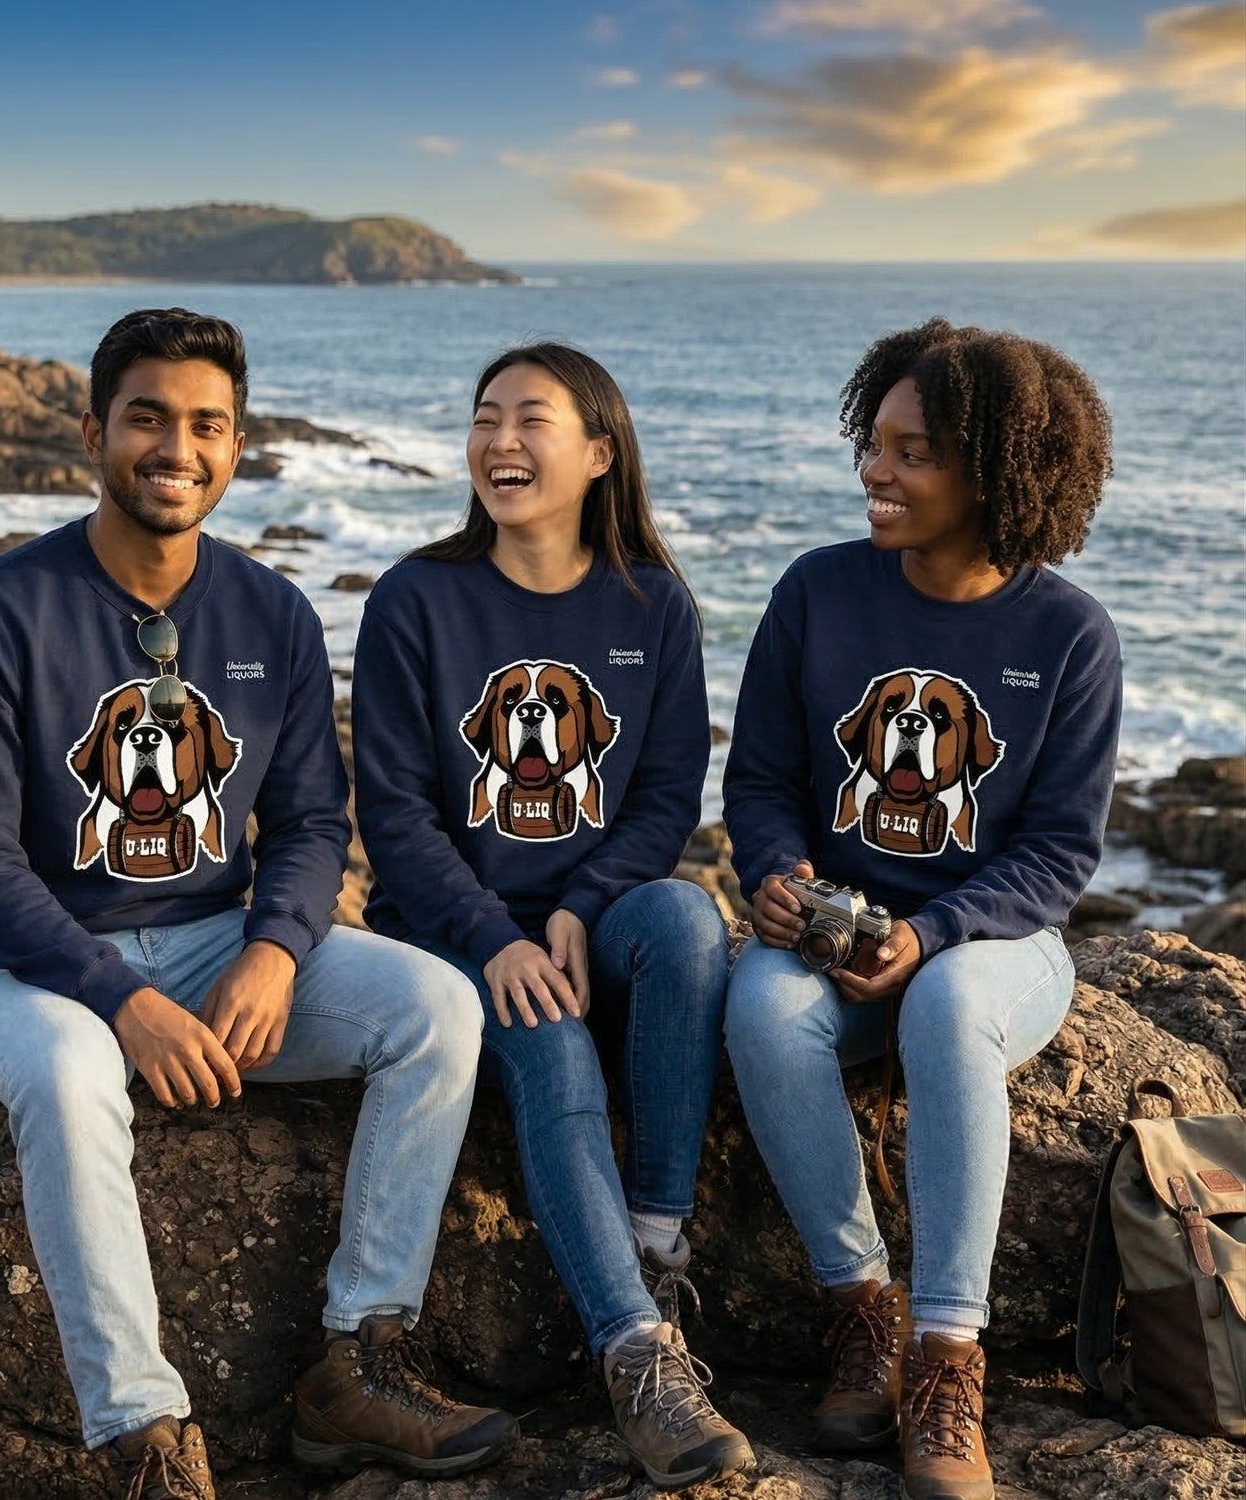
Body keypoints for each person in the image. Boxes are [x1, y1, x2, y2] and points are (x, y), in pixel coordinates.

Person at [0, 308, 518, 1500]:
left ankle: (358, 1364)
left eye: (206, 425)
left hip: (213, 941)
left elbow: (308, 823)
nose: (176, 448)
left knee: (438, 1007)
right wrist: (121, 1001)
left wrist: (277, 950)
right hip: (32, 970)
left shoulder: (273, 613)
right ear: (94, 432)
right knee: (73, 1077)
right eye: (147, 418)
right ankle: (141, 1438)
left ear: (237, 446)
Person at [723, 318, 1121, 1500]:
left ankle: (948, 1357)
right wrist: (779, 874)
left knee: (947, 1005)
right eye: (875, 444)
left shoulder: (1069, 635)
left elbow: (1060, 854)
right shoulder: (817, 591)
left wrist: (929, 934)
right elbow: (760, 779)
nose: (876, 473)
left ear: (994, 475)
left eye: (914, 454)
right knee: (761, 1007)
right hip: (836, 934)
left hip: (996, 945)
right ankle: (863, 1311)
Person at [352, 342, 754, 1491]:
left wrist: (582, 903)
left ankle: (654, 1250)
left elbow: (668, 798)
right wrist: (495, 938)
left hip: (595, 923)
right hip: (452, 933)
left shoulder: (653, 605)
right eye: (486, 417)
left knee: (686, 923)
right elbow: (395, 815)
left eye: (532, 419)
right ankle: (636, 1358)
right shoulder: (416, 599)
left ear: (599, 453)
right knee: (551, 1040)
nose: (501, 441)